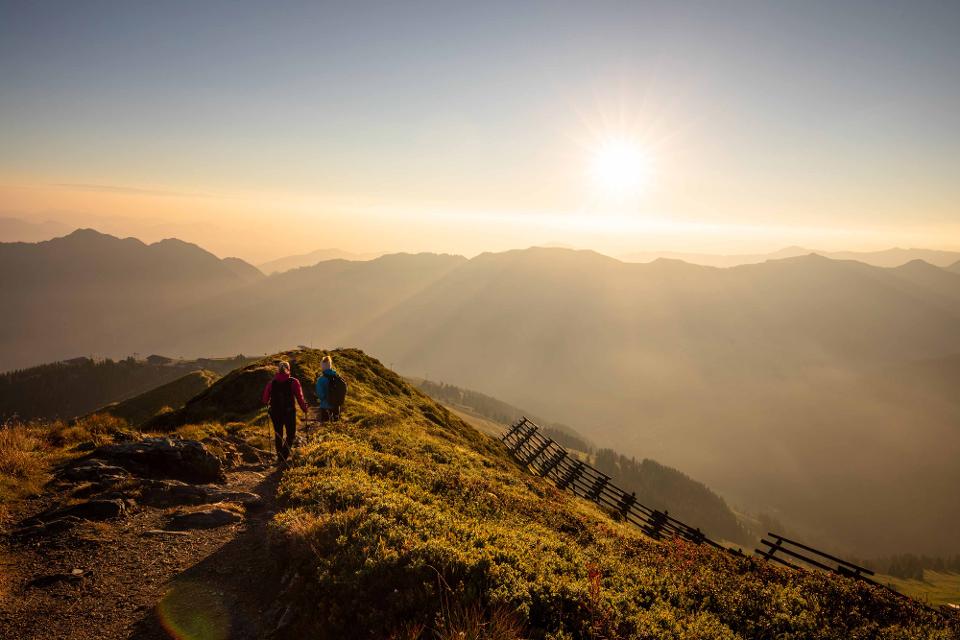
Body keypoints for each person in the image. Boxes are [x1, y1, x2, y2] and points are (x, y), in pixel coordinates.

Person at [261, 360, 308, 464]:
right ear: (289, 369)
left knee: (278, 434)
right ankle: (284, 456)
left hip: (275, 413)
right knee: (290, 434)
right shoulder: (294, 382)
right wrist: (304, 408)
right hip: (289, 412)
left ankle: (280, 456)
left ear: (278, 370)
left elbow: (265, 399)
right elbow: (300, 397)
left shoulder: (271, 383)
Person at [315, 355, 345, 423]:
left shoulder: (320, 380)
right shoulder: (337, 377)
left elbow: (320, 395)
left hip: (325, 406)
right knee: (336, 426)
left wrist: (325, 399)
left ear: (322, 366)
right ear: (330, 365)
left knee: (325, 426)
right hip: (336, 406)